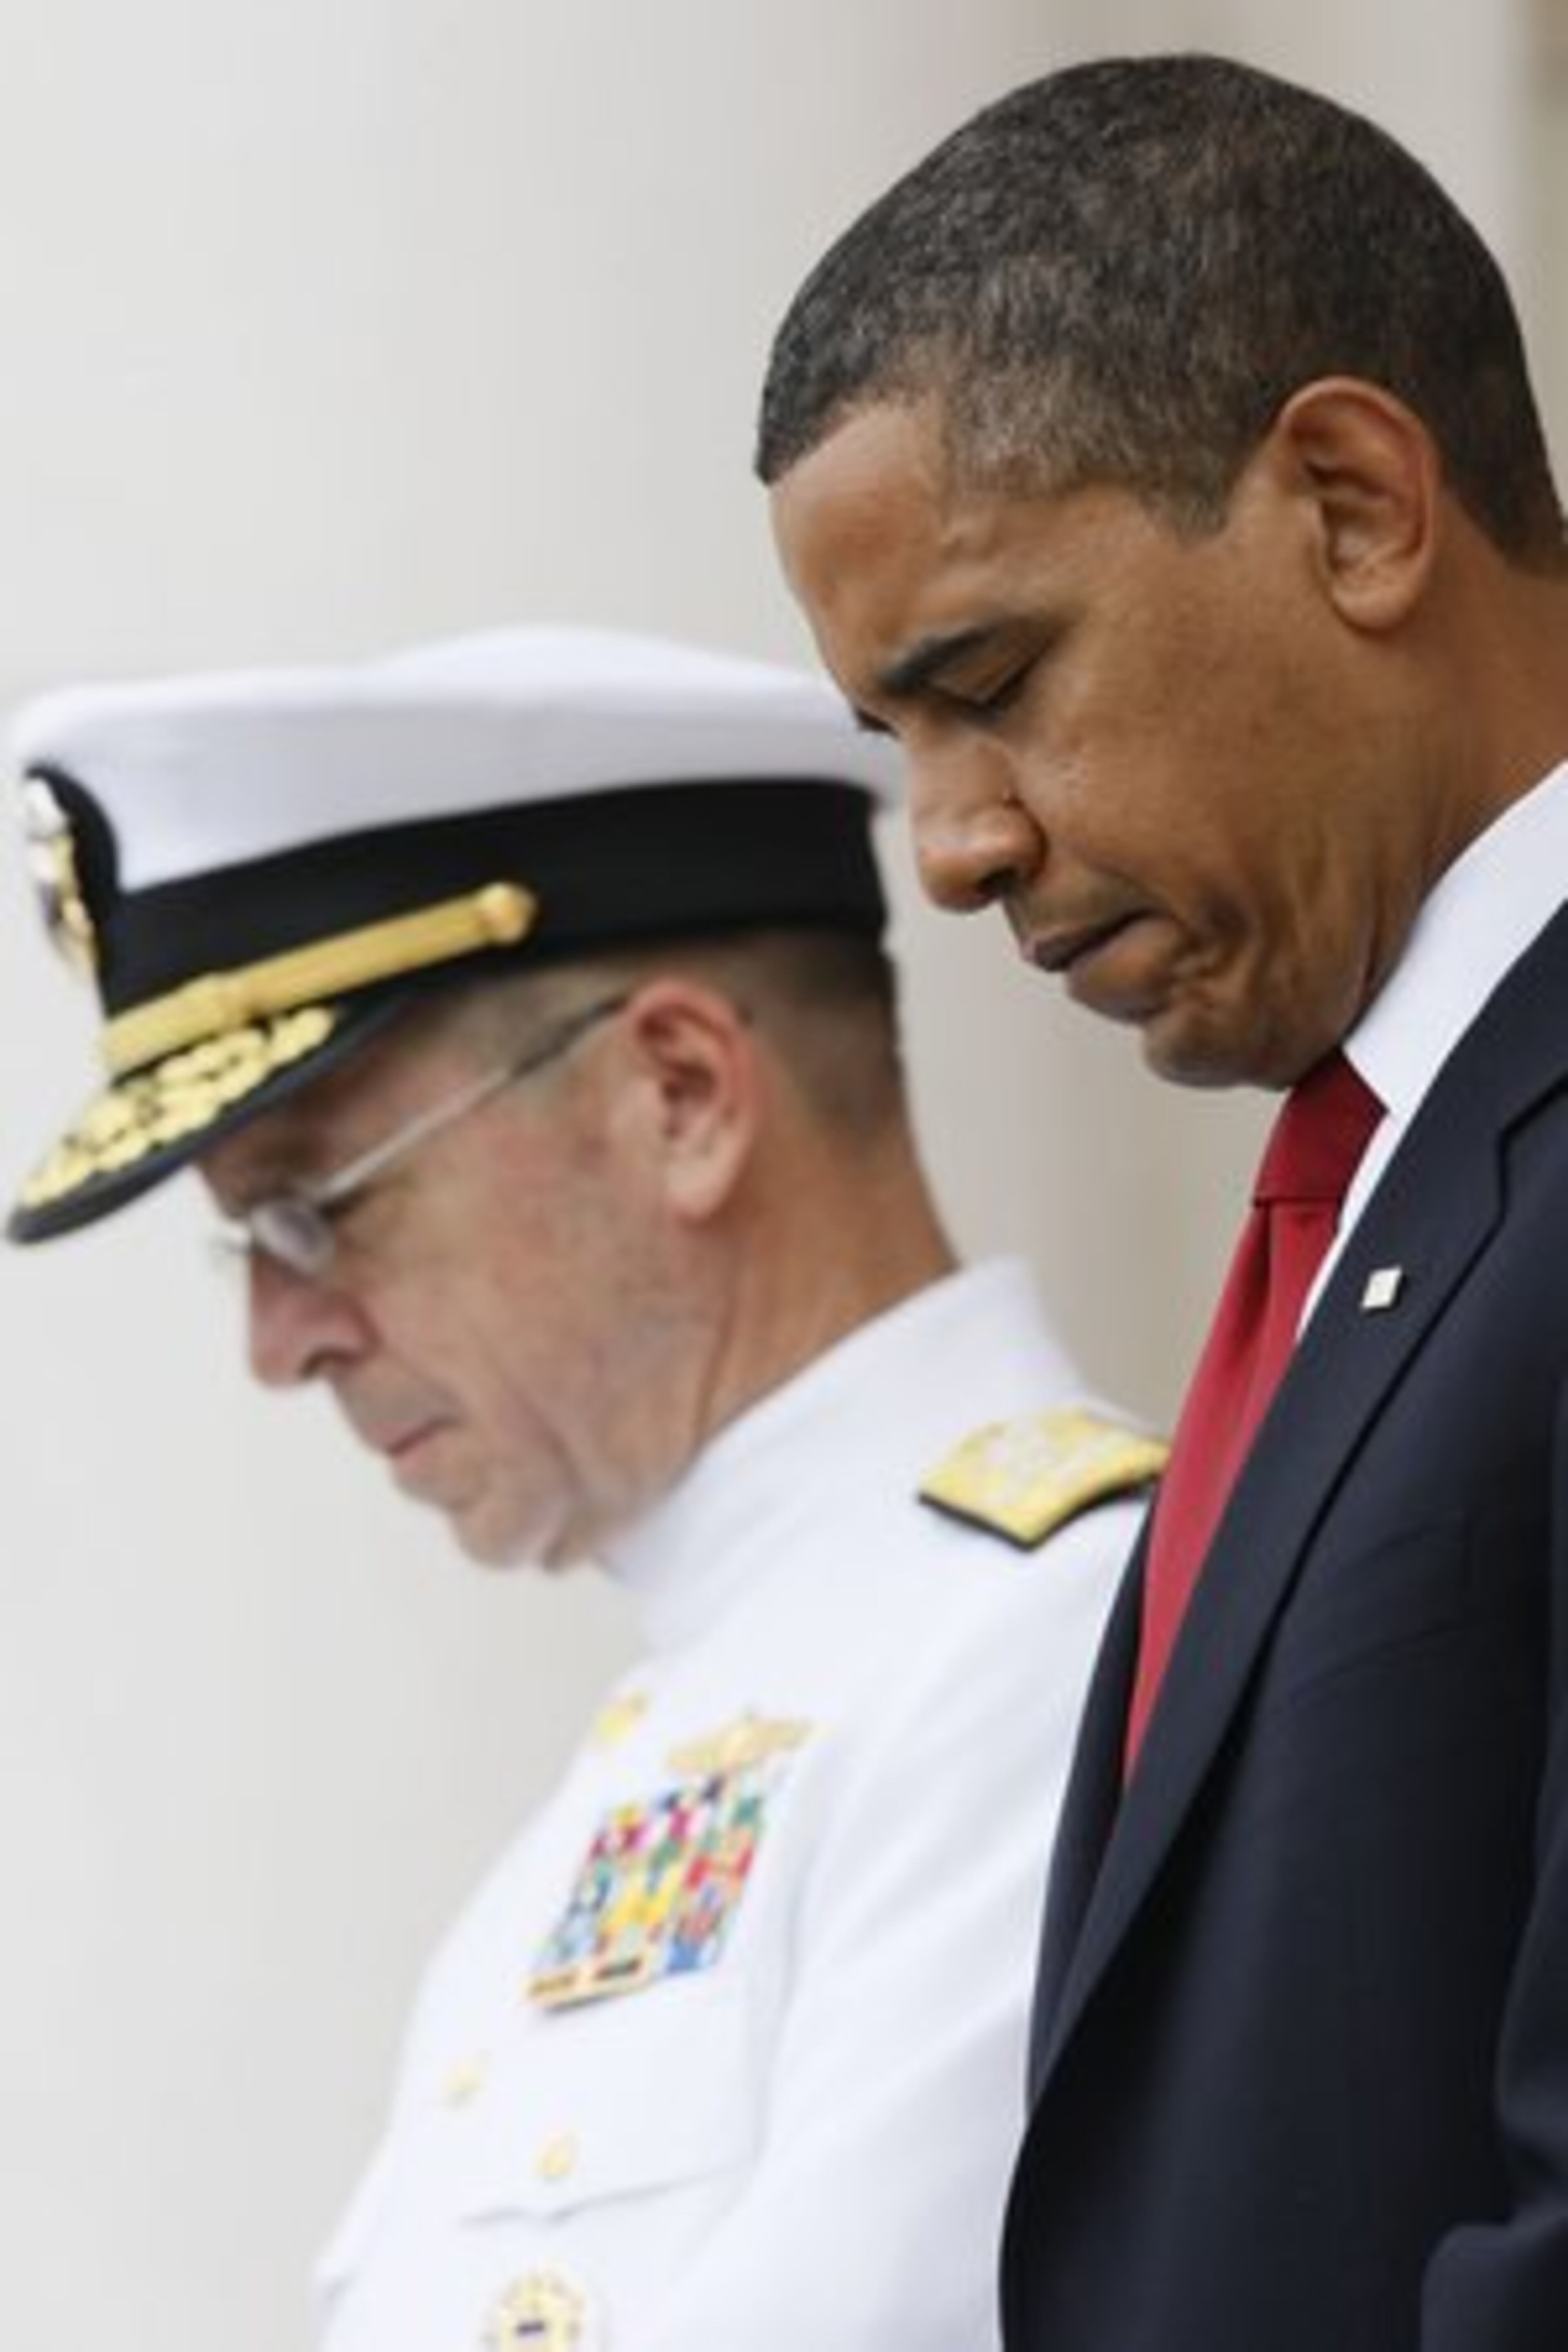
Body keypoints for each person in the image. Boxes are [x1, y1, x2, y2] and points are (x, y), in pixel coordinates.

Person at [7, 624, 1161, 2352]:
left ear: (680, 1097)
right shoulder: (712, 1708)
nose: (279, 1343)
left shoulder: (1046, 1648)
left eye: (314, 1208)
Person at [757, 50, 1568, 2352]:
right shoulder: (1395, 1171)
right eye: (902, 743)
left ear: (1353, 506)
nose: (953, 846)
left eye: (995, 680)